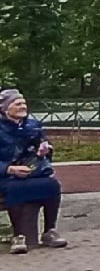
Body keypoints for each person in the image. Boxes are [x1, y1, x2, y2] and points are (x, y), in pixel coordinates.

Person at [0, 89, 68, 254]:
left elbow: (44, 144)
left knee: (51, 185)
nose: (23, 106)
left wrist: (44, 149)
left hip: (30, 171)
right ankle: (18, 235)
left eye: (24, 102)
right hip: (5, 175)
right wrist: (10, 168)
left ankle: (49, 231)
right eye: (17, 103)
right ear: (5, 108)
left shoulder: (32, 125)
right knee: (14, 188)